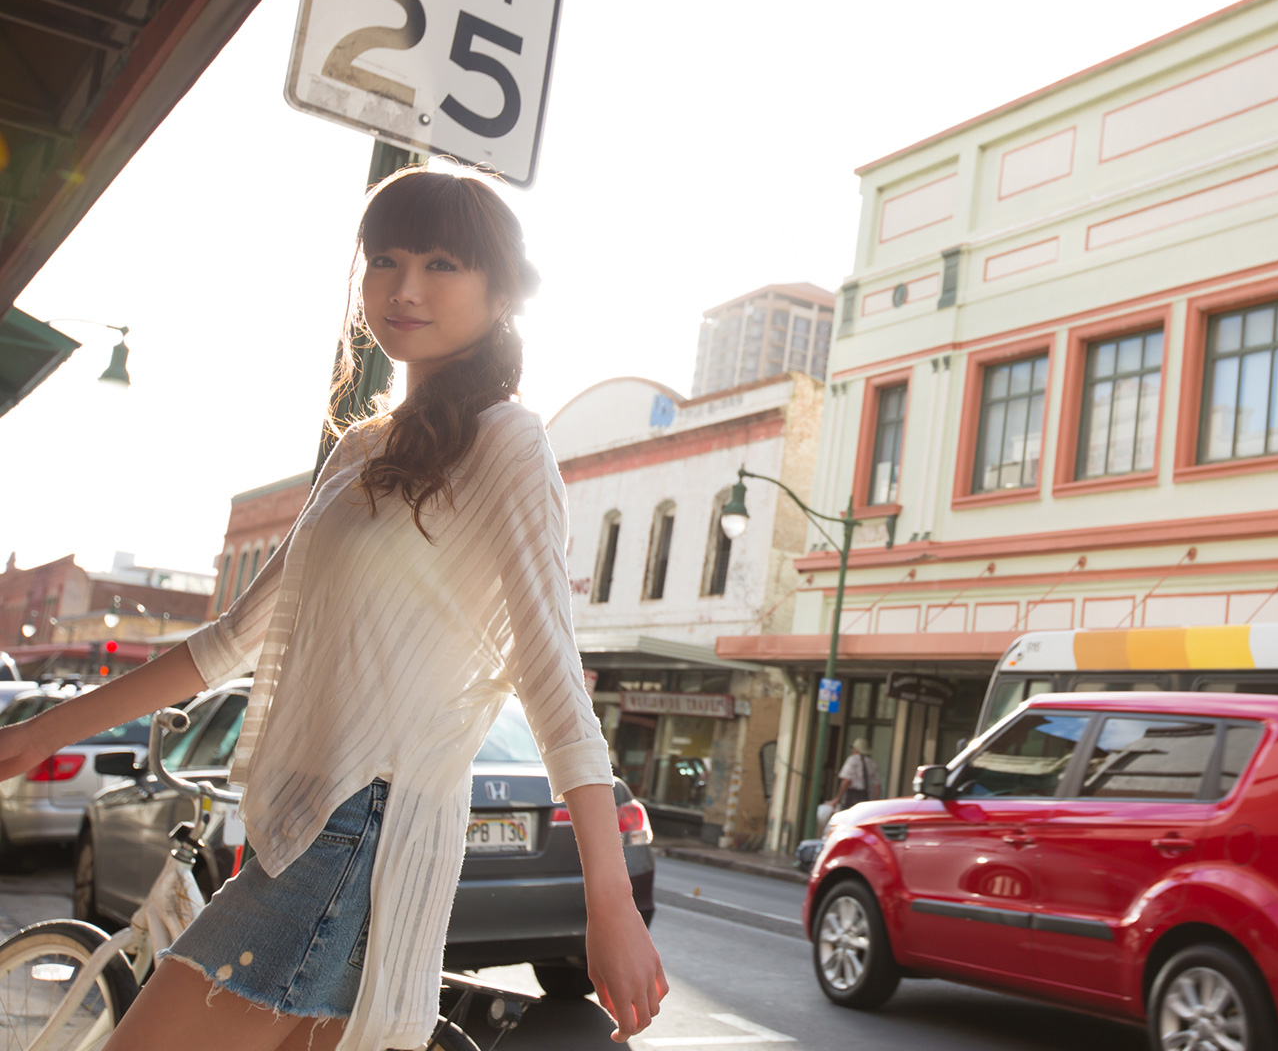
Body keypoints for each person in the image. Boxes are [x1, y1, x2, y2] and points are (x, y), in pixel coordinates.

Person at [0, 165, 667, 1051]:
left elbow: (551, 679)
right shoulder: (359, 449)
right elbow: (232, 640)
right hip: (303, 824)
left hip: (360, 830)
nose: (405, 288)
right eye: (384, 260)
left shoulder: (510, 441)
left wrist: (610, 902)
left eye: (441, 264)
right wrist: (47, 731)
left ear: (501, 291)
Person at [833, 737, 881, 809]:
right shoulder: (873, 764)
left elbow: (846, 781)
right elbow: (877, 786)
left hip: (852, 797)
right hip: (867, 799)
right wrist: (876, 801)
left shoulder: (852, 760)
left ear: (856, 750)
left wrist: (838, 798)